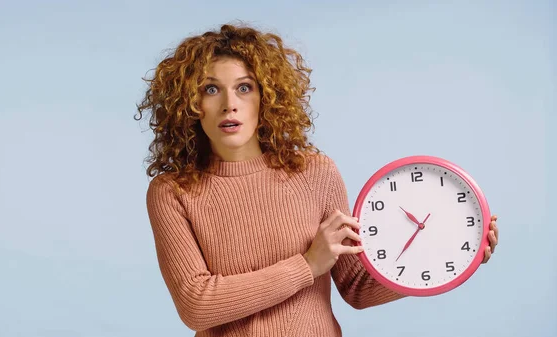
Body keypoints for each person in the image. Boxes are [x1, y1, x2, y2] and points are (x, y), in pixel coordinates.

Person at [136, 23, 500, 336]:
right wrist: (307, 266)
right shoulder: (172, 192)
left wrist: (454, 258)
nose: (229, 103)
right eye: (211, 89)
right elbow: (197, 305)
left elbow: (356, 287)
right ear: (190, 103)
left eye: (245, 87)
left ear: (267, 97)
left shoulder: (316, 172)